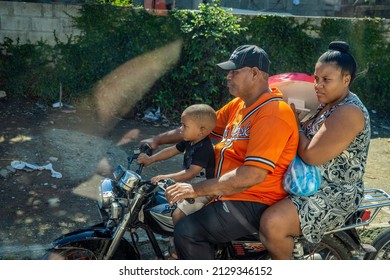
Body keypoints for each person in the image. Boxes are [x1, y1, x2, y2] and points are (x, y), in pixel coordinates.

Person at [141, 45, 299, 259]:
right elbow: (199, 126)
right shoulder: (240, 105)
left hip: (255, 200)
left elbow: (252, 175)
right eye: (228, 72)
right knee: (169, 210)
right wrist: (157, 140)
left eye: (234, 72)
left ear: (254, 73)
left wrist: (196, 189)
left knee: (188, 232)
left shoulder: (273, 113)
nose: (228, 77)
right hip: (229, 192)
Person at [259, 41, 371, 259]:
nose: (317, 85)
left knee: (272, 224)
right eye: (316, 78)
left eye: (326, 80)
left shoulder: (349, 111)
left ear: (346, 79)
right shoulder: (328, 104)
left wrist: (293, 124)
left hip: (334, 192)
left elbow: (311, 154)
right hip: (310, 183)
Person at [137, 103, 217, 225]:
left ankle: (180, 241)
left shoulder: (204, 148)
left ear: (201, 131)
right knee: (161, 200)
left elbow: (191, 173)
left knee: (178, 214)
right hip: (190, 186)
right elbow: (171, 150)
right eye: (181, 124)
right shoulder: (190, 140)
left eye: (185, 126)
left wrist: (166, 177)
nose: (180, 129)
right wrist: (150, 159)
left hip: (203, 190)